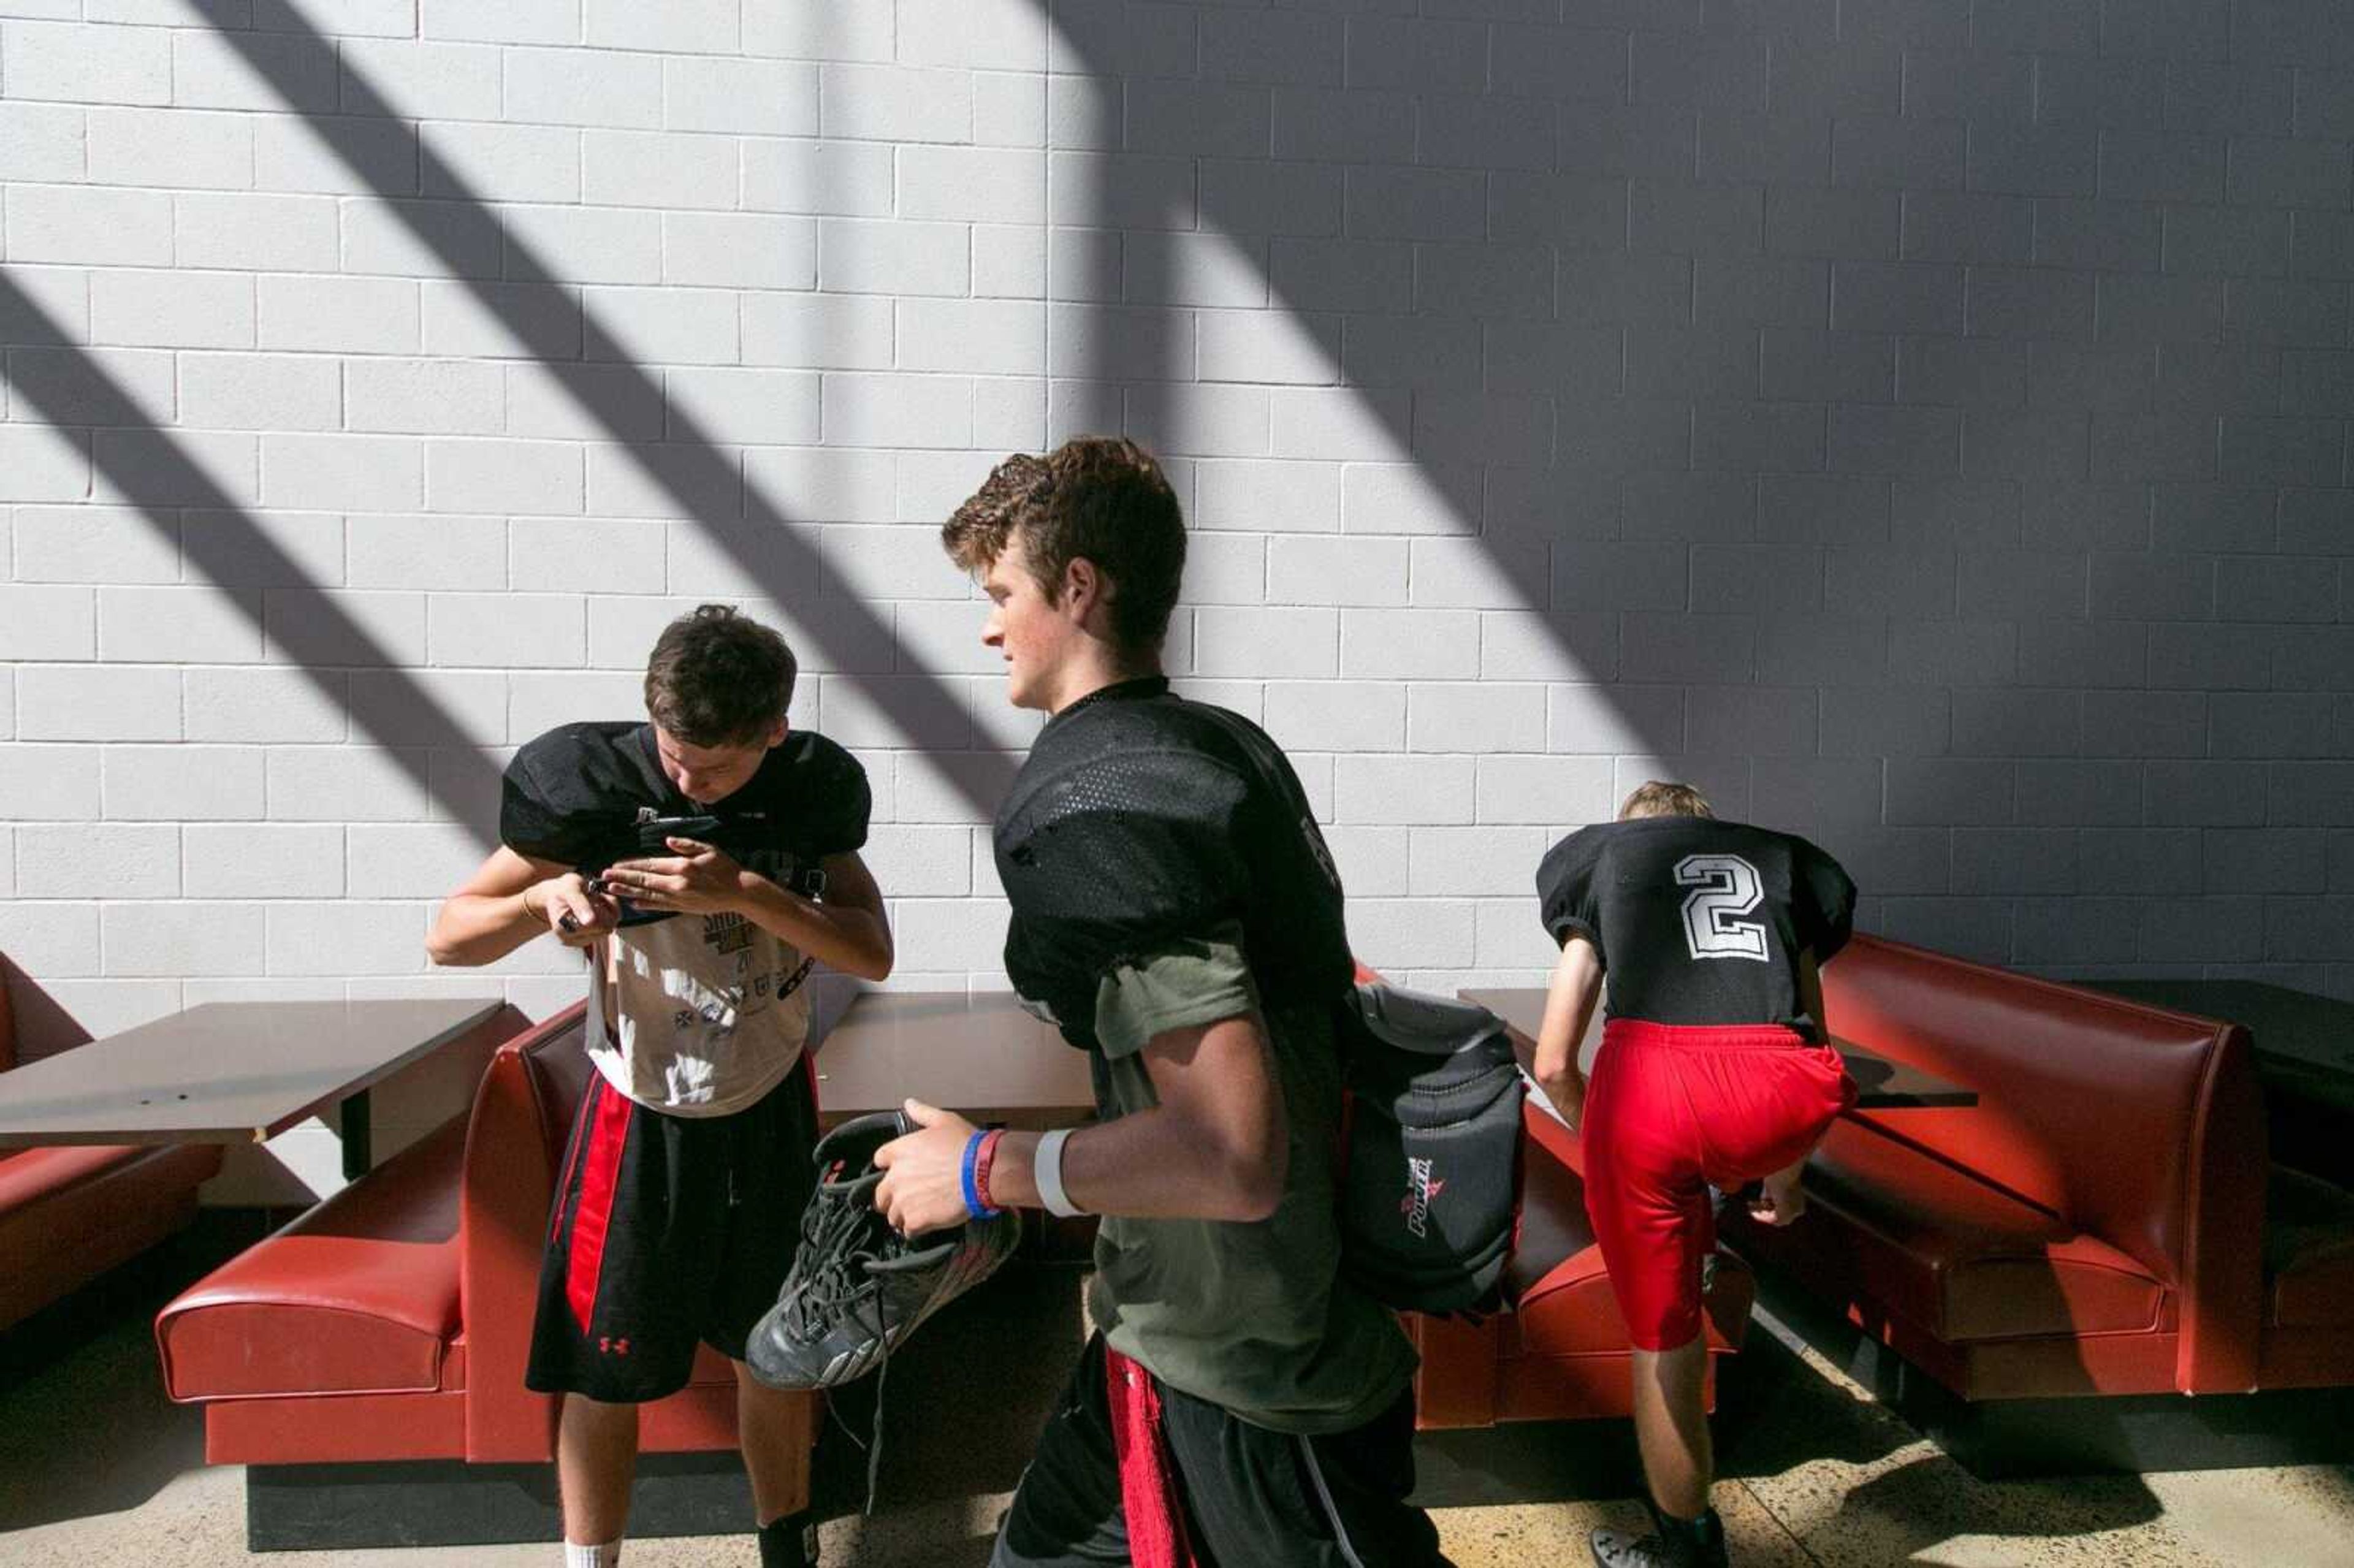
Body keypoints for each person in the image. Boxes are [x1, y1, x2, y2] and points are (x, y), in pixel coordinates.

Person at [872, 436, 1451, 1567]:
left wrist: (987, 1173)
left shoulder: (1109, 798)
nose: (989, 628)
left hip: (1258, 1372)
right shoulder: (1214, 746)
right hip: (1154, 1330)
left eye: (1002, 594)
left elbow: (1231, 1152)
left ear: (1078, 587)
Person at [426, 604, 894, 1568]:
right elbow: (449, 933)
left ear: (775, 728)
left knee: (775, 1352)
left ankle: (785, 1550)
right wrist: (537, 902)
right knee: (608, 1374)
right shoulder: (591, 785)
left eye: (714, 768)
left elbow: (871, 950)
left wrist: (746, 893)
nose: (688, 780)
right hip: (640, 1109)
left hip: (769, 1103)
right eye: (674, 756)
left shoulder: (809, 792)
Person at [1530, 782, 1857, 1568]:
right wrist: (1787, 1176)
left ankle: (1688, 1547)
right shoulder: (1778, 866)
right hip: (1780, 1092)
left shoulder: (1606, 863)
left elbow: (1551, 1060)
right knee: (1715, 1163)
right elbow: (1807, 1036)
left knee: (1663, 1339)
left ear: (1629, 837)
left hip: (1651, 1090)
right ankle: (1706, 1214)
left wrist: (1607, 1144)